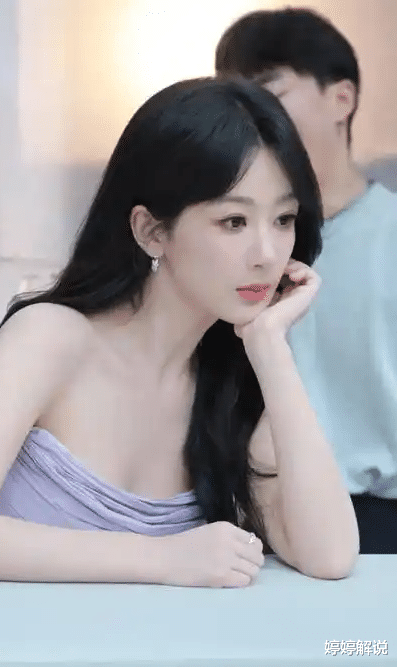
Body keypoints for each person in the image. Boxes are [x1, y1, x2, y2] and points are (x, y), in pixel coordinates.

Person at [0, 77, 358, 586]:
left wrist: (270, 348)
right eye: (234, 222)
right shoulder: (51, 338)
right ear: (151, 231)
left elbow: (330, 556)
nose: (267, 255)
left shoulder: (236, 382)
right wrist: (161, 558)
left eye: (284, 219)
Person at [215, 8, 397, 553]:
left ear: (342, 99)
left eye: (271, 92)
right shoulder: (230, 243)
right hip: (258, 519)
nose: (250, 115)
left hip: (381, 519)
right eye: (236, 97)